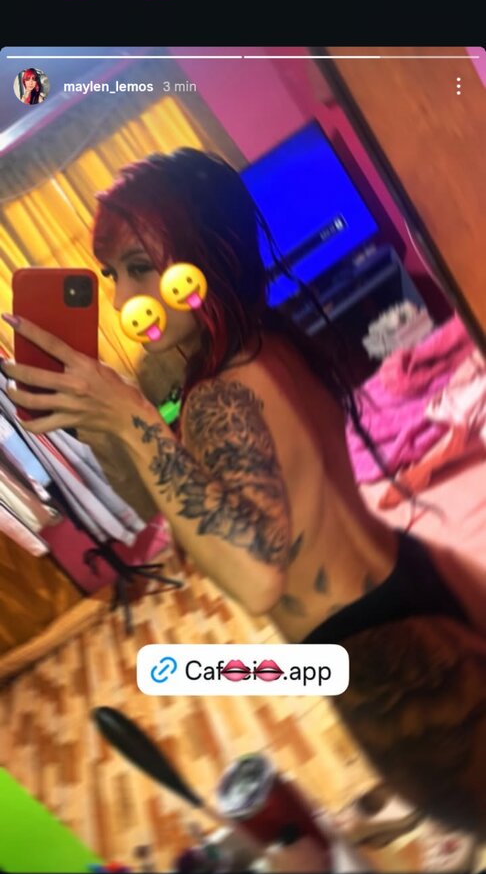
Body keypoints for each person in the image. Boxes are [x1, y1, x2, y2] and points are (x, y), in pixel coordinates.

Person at [2, 148, 486, 835]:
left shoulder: (217, 397)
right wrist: (123, 425)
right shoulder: (268, 343)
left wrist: (133, 419)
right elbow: (224, 509)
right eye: (113, 275)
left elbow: (258, 580)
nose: (121, 300)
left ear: (204, 256)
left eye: (139, 267)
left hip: (382, 656)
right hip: (407, 582)